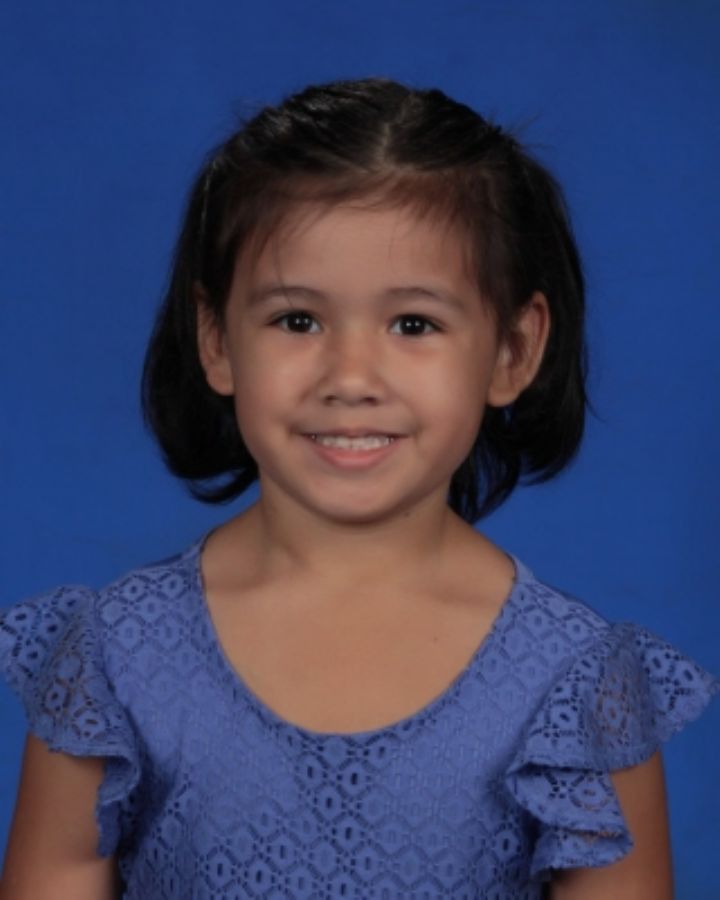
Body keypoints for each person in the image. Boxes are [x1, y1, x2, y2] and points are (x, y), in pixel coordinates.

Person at [0, 77, 717, 900]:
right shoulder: (113, 657)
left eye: (414, 324)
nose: (349, 378)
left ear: (514, 351)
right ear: (217, 339)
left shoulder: (580, 682)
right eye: (297, 320)